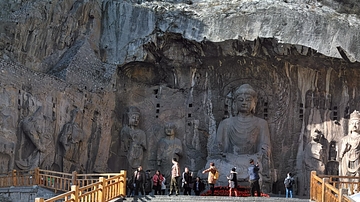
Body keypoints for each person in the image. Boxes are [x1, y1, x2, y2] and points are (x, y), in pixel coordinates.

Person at [212, 84, 272, 190]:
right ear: (234, 103)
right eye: (240, 100)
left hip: (251, 159)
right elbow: (219, 149)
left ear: (254, 103)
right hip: (230, 159)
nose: (244, 102)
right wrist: (221, 154)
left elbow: (265, 149)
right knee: (214, 164)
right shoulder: (226, 124)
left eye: (248, 100)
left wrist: (259, 156)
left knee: (257, 165)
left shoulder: (261, 123)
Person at [339, 110, 360, 191]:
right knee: (346, 177)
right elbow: (340, 156)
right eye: (352, 123)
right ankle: (347, 191)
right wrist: (344, 150)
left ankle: (356, 191)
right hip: (347, 160)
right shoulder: (345, 139)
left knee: (357, 176)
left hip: (358, 160)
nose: (355, 125)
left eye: (357, 123)